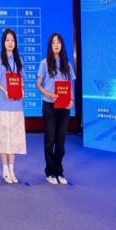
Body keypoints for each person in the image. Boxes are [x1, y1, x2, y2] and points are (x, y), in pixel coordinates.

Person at [37, 33, 76, 185]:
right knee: (50, 140)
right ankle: (50, 172)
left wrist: (71, 100)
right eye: (53, 42)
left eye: (58, 42)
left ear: (61, 45)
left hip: (64, 106)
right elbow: (38, 84)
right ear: (50, 46)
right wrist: (48, 94)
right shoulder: (44, 63)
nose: (56, 45)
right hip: (49, 105)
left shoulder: (67, 64)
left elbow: (70, 85)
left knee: (61, 141)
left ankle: (59, 171)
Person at [0, 29, 26, 184]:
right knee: (3, 138)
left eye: (12, 40)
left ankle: (12, 169)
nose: (10, 43)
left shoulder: (19, 60)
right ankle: (5, 169)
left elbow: (21, 80)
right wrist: (4, 90)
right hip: (3, 104)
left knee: (14, 138)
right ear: (3, 42)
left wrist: (22, 90)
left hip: (17, 105)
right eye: (7, 40)